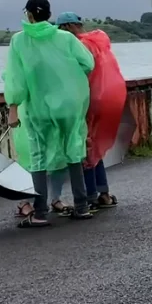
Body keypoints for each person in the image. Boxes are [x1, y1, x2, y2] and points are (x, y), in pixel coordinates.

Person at [5, 0, 96, 226]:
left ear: (29, 15)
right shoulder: (66, 38)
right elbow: (88, 63)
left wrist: (13, 108)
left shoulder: (19, 41)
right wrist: (68, 78)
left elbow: (15, 78)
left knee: (38, 155)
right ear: (48, 14)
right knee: (74, 151)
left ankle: (40, 213)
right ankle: (82, 206)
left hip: (39, 108)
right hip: (69, 105)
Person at [56, 12, 127, 211]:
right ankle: (103, 193)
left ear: (68, 27)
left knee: (84, 148)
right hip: (110, 97)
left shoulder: (77, 45)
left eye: (60, 29)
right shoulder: (98, 40)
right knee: (94, 147)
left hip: (89, 99)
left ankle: (90, 195)